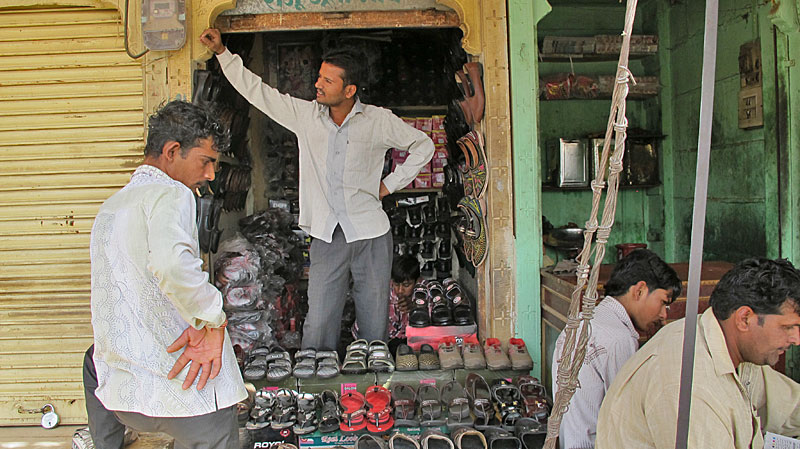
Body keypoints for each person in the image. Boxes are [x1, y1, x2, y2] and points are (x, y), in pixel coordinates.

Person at [199, 29, 435, 351]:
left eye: (327, 80)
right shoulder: (306, 116)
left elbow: (423, 146)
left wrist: (388, 186)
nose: (317, 85)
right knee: (320, 318)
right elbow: (259, 93)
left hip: (371, 233)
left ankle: (370, 388)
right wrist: (223, 54)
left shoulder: (378, 120)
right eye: (319, 77)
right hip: (327, 234)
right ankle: (316, 387)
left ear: (350, 89)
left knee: (373, 317)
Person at [85, 100, 246, 449]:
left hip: (123, 396)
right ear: (172, 151)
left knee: (91, 358)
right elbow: (173, 267)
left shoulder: (111, 206)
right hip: (185, 390)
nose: (211, 175)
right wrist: (212, 320)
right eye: (206, 162)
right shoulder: (171, 193)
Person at [596, 257, 800, 449]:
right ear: (745, 318)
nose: (796, 340)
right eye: (788, 327)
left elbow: (791, 407)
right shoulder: (687, 384)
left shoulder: (733, 347)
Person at [552, 249, 681, 449]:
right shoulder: (619, 339)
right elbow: (628, 419)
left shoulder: (580, 322)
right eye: (663, 302)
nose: (664, 314)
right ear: (639, 290)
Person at [352, 255, 421, 352]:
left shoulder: (424, 292)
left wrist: (416, 307)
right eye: (396, 284)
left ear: (417, 281)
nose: (400, 290)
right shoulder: (382, 293)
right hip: (374, 340)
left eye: (406, 285)